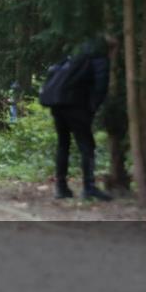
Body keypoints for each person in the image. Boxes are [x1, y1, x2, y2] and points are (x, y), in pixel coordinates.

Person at [43, 36, 117, 201]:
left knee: (63, 144)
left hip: (57, 103)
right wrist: (92, 107)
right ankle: (89, 188)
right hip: (77, 105)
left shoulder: (75, 55)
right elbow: (101, 85)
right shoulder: (99, 58)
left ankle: (61, 188)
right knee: (87, 146)